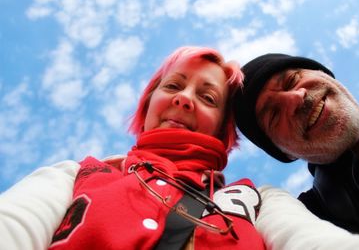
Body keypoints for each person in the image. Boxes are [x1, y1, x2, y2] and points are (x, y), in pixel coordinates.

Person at [0, 46, 265, 250]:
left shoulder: (258, 201)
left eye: (207, 97)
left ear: (223, 127)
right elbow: (13, 225)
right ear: (148, 103)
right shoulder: (73, 175)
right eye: (173, 85)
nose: (183, 98)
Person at [234, 53, 359, 233]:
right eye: (274, 115)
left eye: (292, 80)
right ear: (286, 153)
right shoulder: (308, 222)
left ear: (323, 73)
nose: (296, 98)